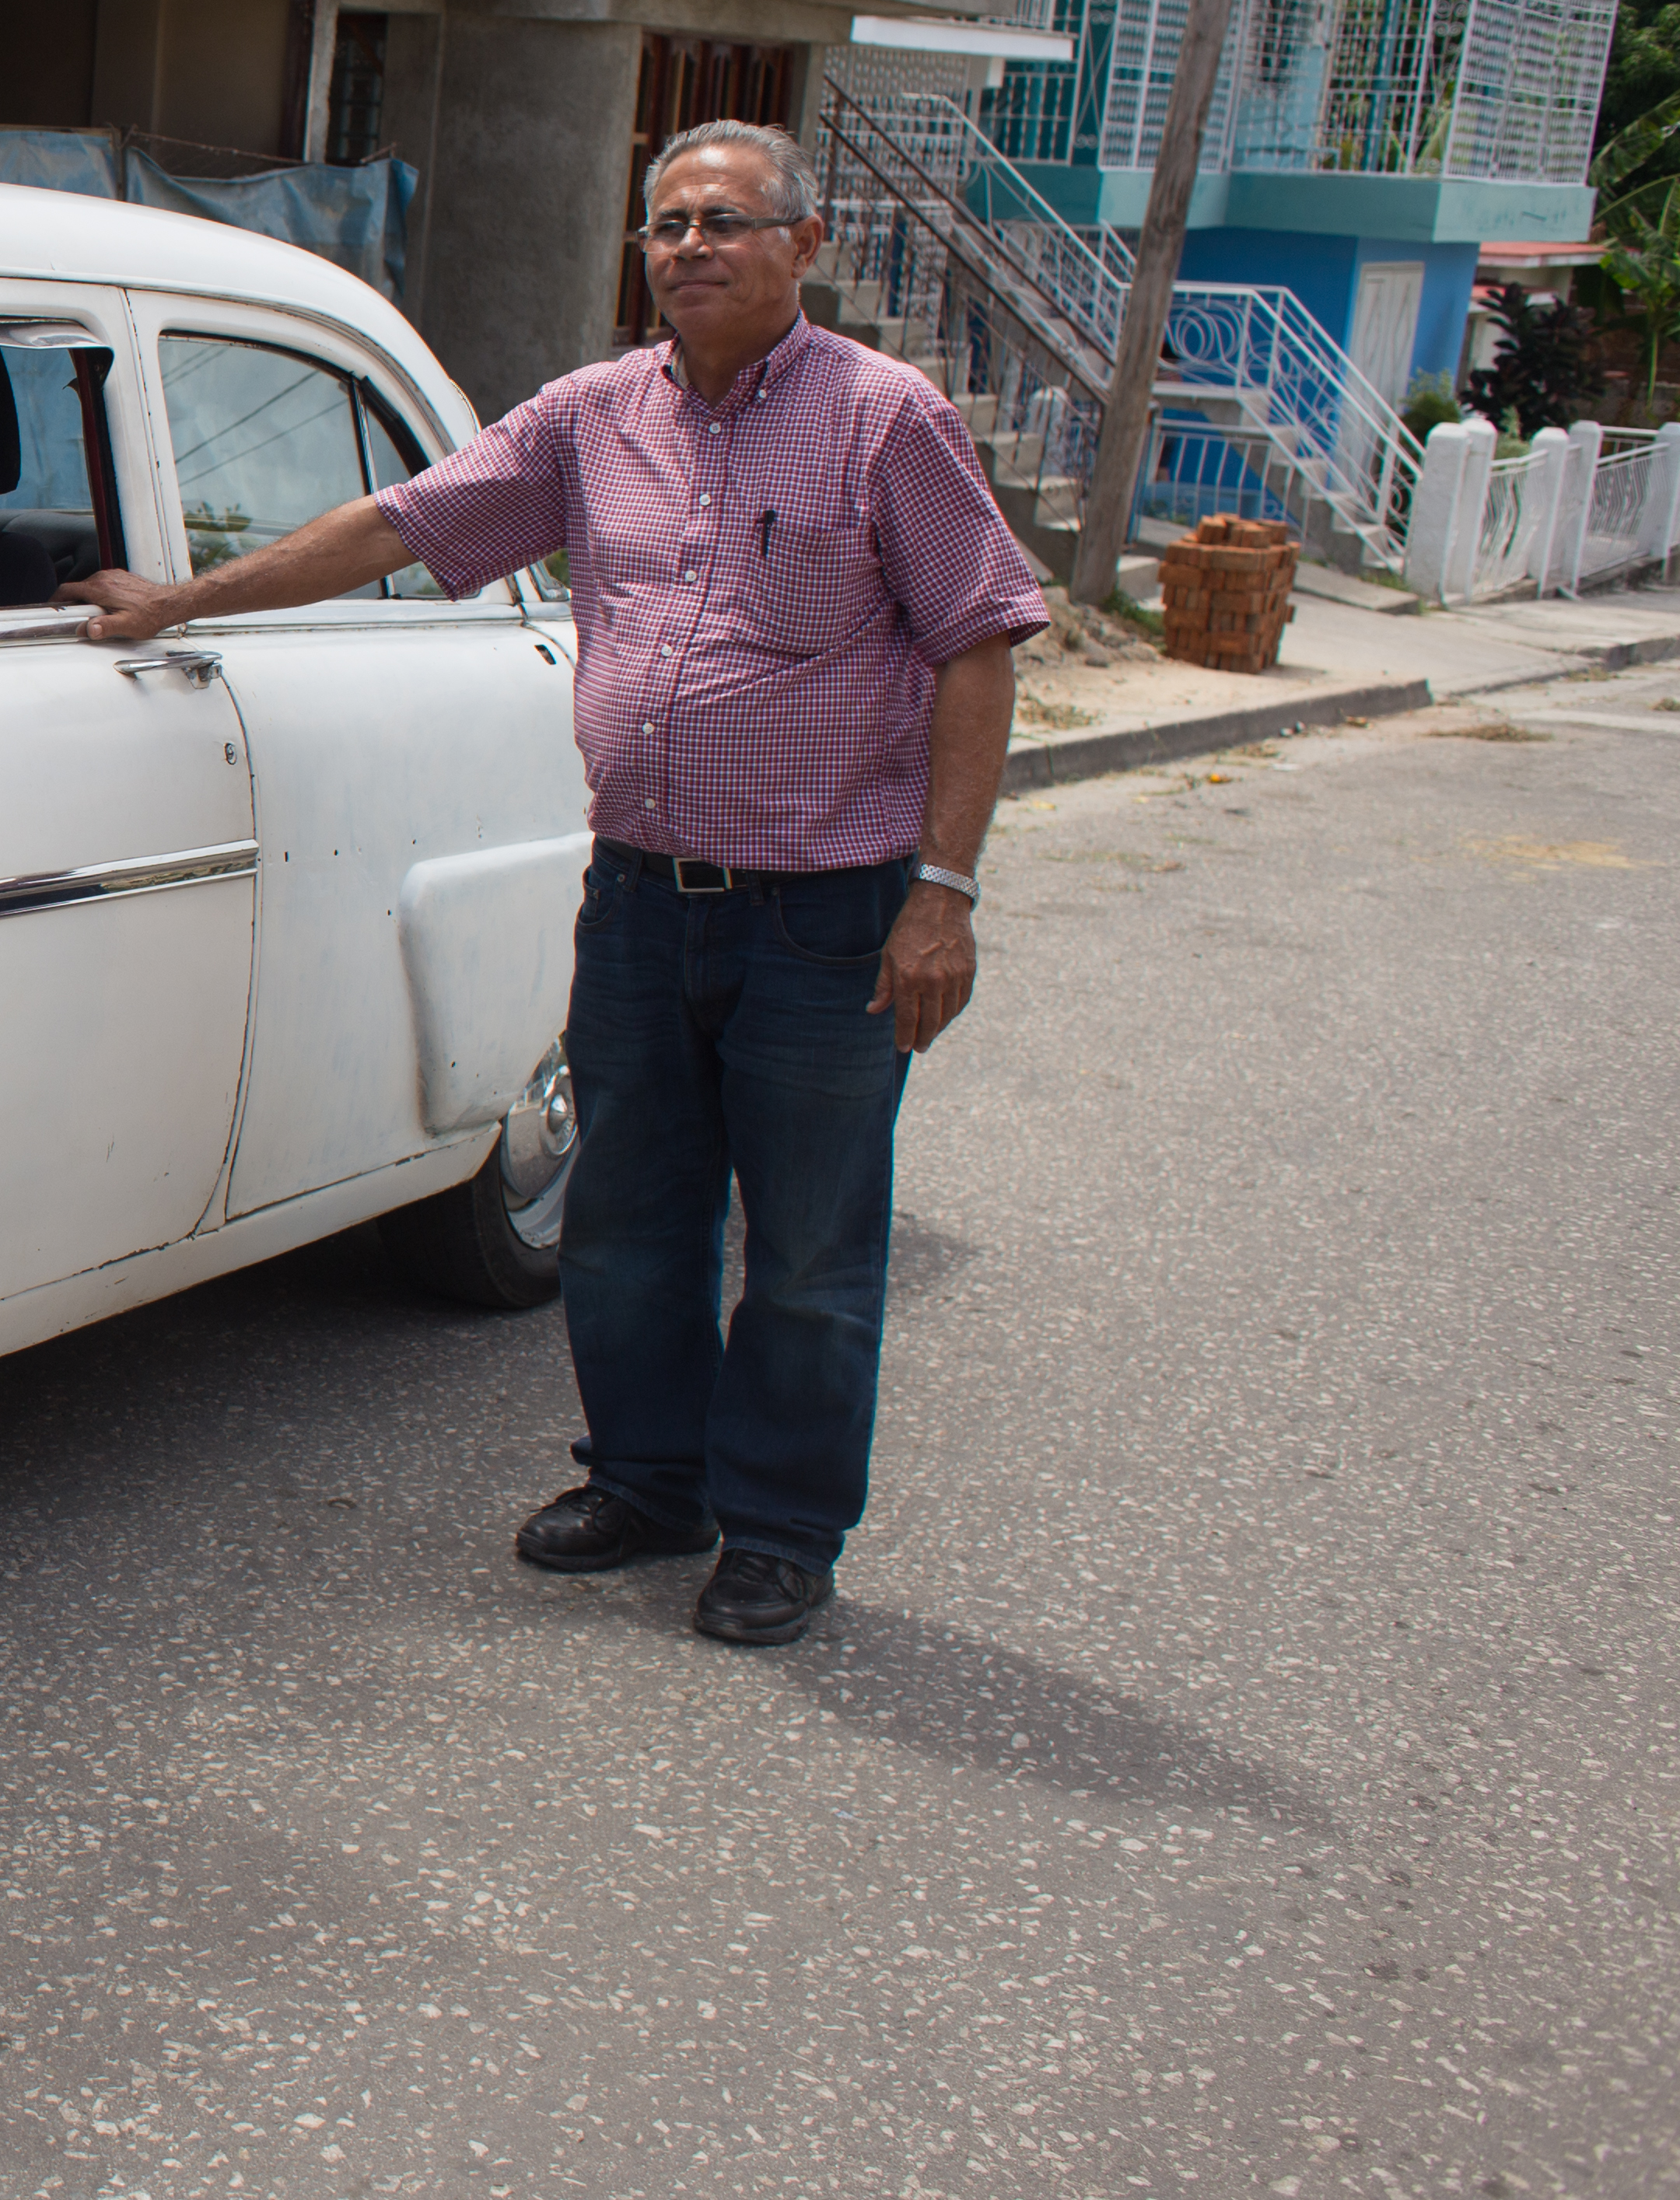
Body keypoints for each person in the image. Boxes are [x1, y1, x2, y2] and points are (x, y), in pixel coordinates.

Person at [61, 118, 1048, 1648]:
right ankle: (653, 1484)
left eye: (727, 221)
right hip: (644, 901)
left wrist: (948, 892)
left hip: (829, 915)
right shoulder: (594, 418)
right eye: (667, 223)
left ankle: (781, 1530)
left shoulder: (885, 420)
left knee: (801, 1244)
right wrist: (186, 599)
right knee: (628, 1221)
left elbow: (977, 643)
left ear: (805, 247)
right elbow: (403, 524)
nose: (691, 247)